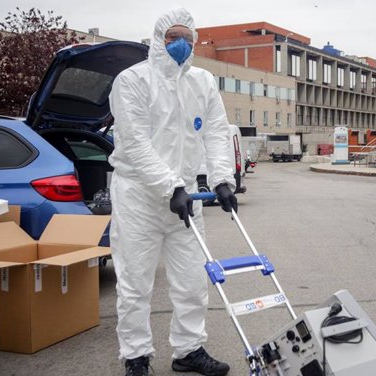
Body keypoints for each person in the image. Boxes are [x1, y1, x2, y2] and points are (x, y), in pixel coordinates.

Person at [108, 8, 237, 376]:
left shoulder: (203, 81)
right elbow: (135, 144)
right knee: (135, 283)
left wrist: (221, 179)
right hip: (140, 199)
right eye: (172, 36)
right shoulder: (132, 81)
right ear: (158, 37)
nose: (181, 44)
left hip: (184, 202)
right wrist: (170, 186)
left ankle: (188, 350)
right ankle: (136, 357)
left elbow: (214, 132)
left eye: (188, 38)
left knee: (193, 281)